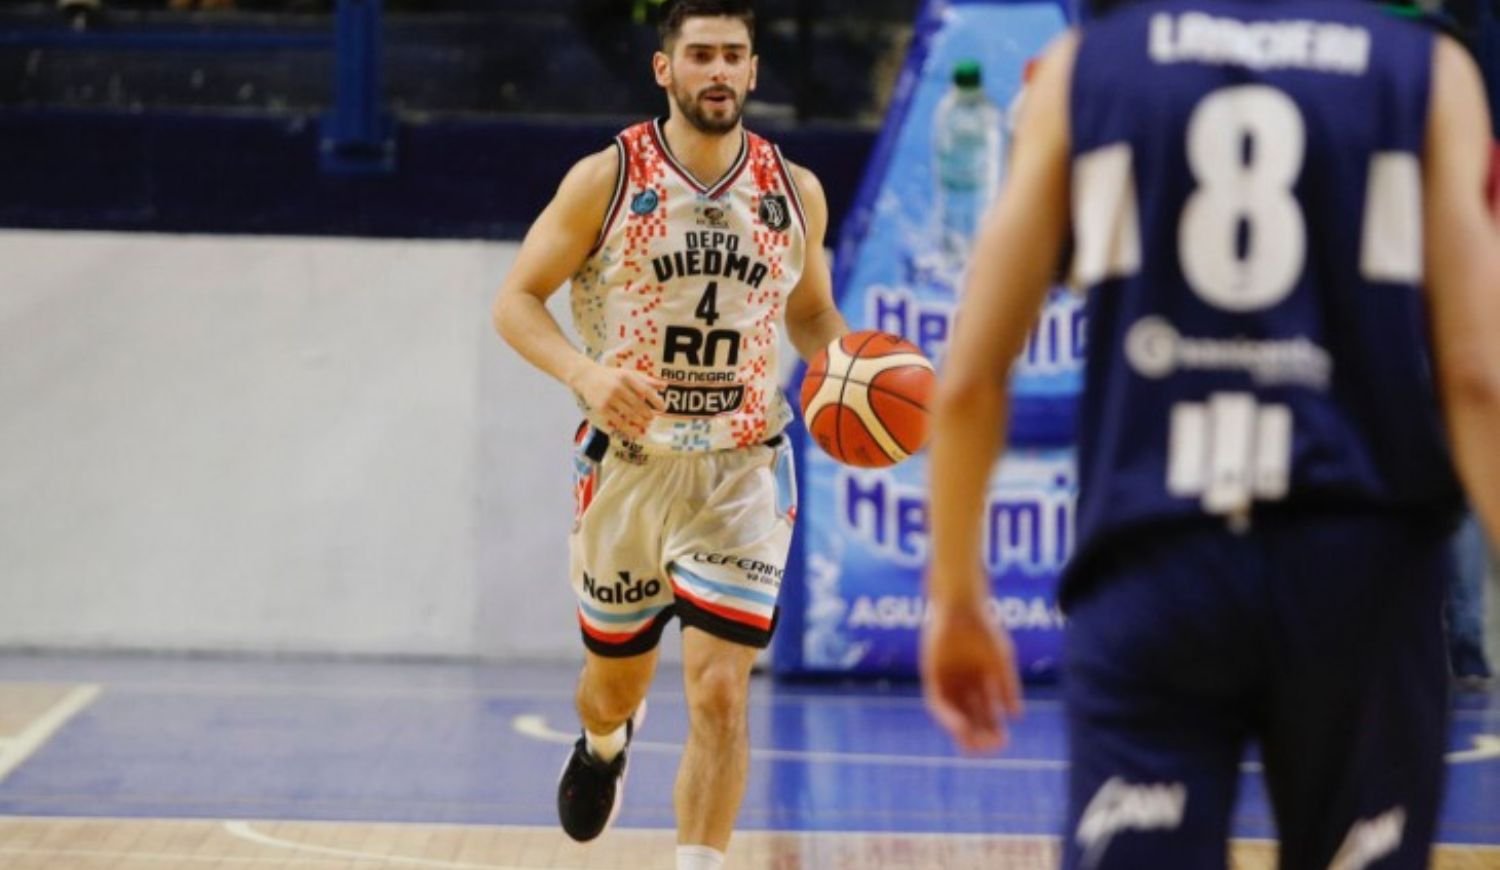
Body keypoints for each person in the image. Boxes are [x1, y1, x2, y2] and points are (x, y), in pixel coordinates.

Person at [920, 0, 1500, 867]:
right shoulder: (1429, 70)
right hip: (1358, 572)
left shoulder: (1085, 69)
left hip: (1158, 562)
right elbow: (1478, 377)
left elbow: (971, 375)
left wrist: (957, 595)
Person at [492, 2, 847, 867]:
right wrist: (584, 374)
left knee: (721, 693)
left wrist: (854, 374)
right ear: (666, 69)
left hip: (742, 469)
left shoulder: (794, 191)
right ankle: (604, 741)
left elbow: (810, 315)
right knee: (613, 686)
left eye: (733, 55)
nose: (718, 70)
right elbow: (515, 301)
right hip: (631, 466)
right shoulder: (607, 179)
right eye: (700, 55)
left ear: (753, 69)